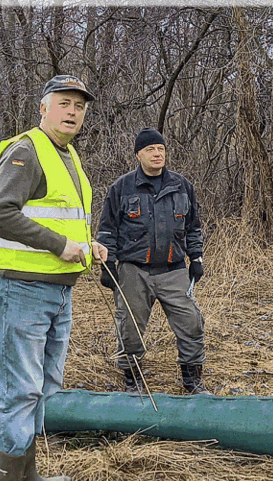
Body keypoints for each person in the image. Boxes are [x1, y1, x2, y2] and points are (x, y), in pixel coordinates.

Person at [0, 75, 106, 481]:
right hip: (24, 288)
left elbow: (62, 218)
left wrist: (88, 245)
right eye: (64, 103)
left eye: (79, 106)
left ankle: (28, 472)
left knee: (45, 385)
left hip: (58, 289)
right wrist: (58, 244)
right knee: (20, 389)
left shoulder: (67, 155)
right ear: (44, 107)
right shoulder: (27, 150)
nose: (72, 112)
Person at [95, 128, 209, 395]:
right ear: (138, 155)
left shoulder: (182, 186)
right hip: (134, 270)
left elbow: (193, 227)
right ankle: (133, 380)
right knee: (129, 327)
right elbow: (107, 230)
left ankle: (192, 381)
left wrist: (197, 258)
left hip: (174, 269)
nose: (157, 154)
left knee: (192, 322)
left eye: (161, 149)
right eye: (150, 150)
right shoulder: (121, 187)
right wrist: (108, 264)